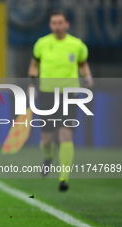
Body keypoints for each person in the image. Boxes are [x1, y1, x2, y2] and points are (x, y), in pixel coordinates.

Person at [28, 10, 93, 191]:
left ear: (67, 24)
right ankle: (48, 156)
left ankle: (63, 178)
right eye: (54, 23)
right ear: (50, 25)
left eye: (60, 23)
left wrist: (87, 76)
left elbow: (82, 63)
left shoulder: (76, 45)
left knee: (66, 134)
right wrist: (32, 84)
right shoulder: (42, 44)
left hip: (69, 94)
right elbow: (34, 64)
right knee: (46, 139)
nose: (57, 26)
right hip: (47, 94)